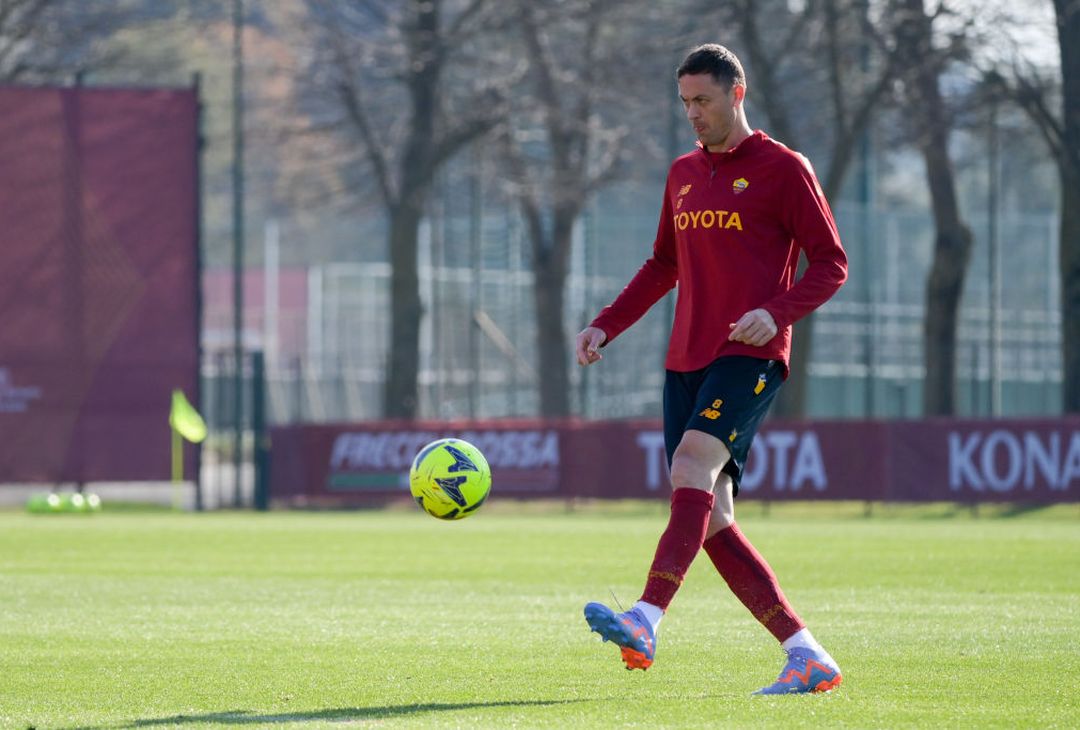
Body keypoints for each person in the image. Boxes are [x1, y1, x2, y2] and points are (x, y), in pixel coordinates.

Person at [576, 44, 848, 695]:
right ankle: (806, 653)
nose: (694, 114)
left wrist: (776, 312)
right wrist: (605, 323)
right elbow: (663, 264)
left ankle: (644, 618)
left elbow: (830, 263)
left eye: (703, 100)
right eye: (686, 103)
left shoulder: (784, 169)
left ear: (737, 93)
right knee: (713, 516)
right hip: (686, 359)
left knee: (690, 468)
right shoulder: (682, 174)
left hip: (750, 357)